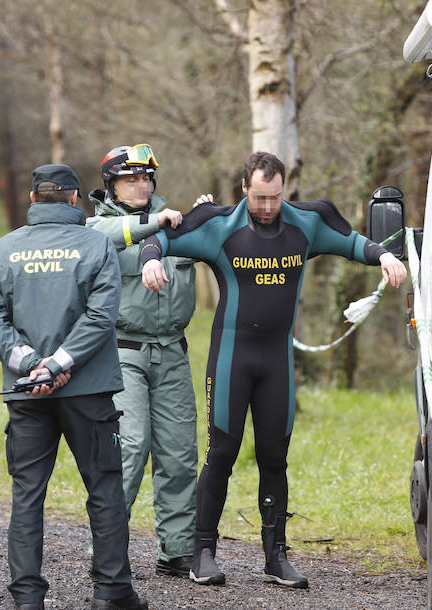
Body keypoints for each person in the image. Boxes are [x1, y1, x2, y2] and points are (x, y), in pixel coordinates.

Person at [141, 151, 407, 589]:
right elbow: (163, 239)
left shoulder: (308, 222)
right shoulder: (218, 225)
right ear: (244, 189)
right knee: (221, 452)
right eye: (260, 197)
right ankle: (202, 552)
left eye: (275, 197)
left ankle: (275, 557)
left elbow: (354, 242)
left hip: (276, 361)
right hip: (232, 357)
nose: (267, 207)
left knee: (274, 457)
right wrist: (152, 259)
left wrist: (384, 256)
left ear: (285, 190)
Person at [0, 164, 147, 610]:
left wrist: (32, 366)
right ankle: (112, 593)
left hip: (26, 391)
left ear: (33, 200)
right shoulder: (96, 245)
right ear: (74, 200)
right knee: (105, 488)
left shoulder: (2, 250)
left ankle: (27, 597)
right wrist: (58, 364)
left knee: (27, 493)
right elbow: (101, 316)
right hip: (87, 392)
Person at [86, 144, 198, 578]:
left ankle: (178, 550)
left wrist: (204, 216)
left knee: (178, 452)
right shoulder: (97, 228)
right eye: (131, 179)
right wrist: (155, 226)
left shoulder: (177, 225)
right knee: (129, 449)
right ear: (111, 185)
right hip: (122, 353)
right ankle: (110, 550)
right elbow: (105, 237)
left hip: (172, 350)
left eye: (147, 178)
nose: (141, 185)